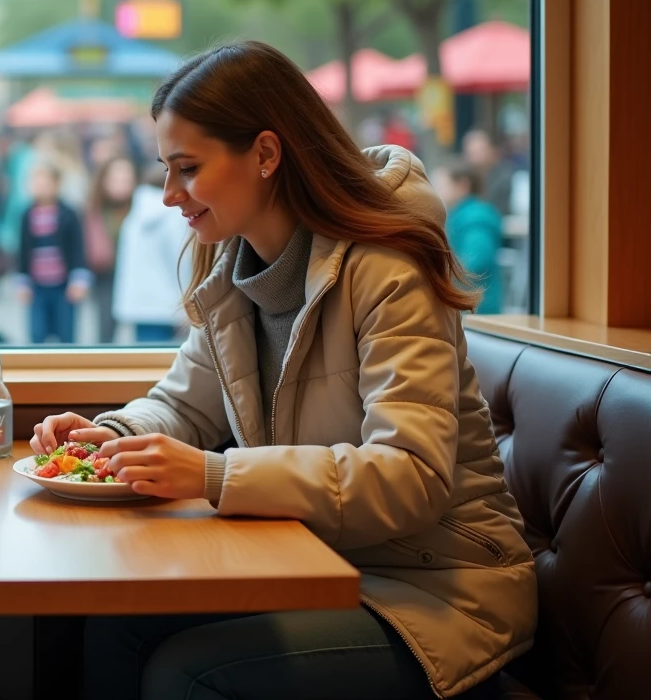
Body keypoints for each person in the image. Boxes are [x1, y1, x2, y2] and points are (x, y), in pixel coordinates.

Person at [31, 42, 536, 700]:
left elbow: (413, 475)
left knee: (185, 671)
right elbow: (185, 404)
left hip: (440, 592)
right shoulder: (232, 265)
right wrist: (115, 436)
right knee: (108, 626)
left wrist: (213, 475)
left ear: (266, 155)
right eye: (165, 168)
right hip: (317, 562)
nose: (166, 195)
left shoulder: (388, 268)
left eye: (187, 168)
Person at [112, 162, 191, 343]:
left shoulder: (135, 213)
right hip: (168, 303)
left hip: (140, 303)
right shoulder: (173, 215)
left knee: (147, 358)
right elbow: (181, 260)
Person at [15, 164, 89, 344]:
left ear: (56, 184)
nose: (40, 187)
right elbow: (23, 251)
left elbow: (77, 247)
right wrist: (22, 281)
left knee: (65, 333)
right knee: (37, 333)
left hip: (63, 286)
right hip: (37, 286)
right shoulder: (27, 214)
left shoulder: (68, 213)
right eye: (36, 182)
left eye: (45, 182)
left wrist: (79, 279)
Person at [84, 157, 136, 343]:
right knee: (105, 324)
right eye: (116, 179)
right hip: (105, 273)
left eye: (126, 180)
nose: (121, 185)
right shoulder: (94, 209)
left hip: (134, 273)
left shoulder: (141, 208)